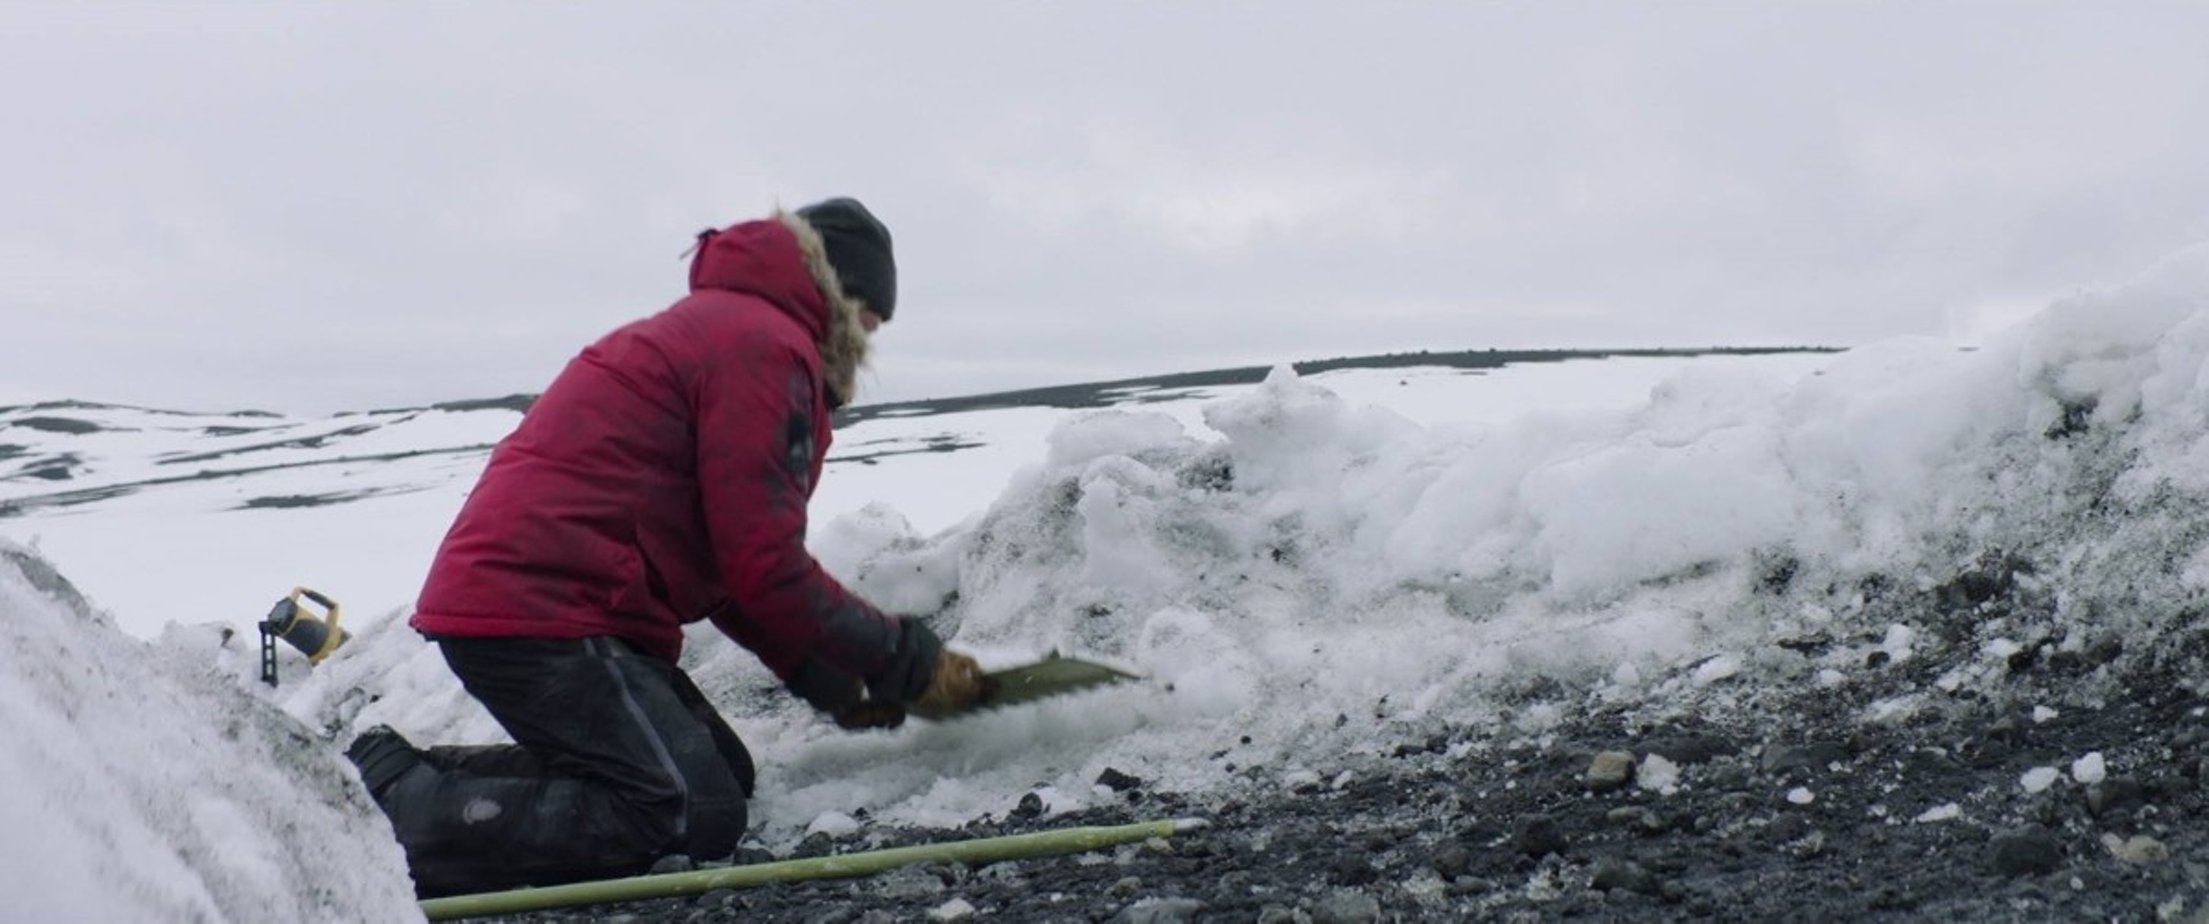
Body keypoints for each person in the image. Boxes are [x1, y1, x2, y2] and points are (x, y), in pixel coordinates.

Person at [343, 197, 984, 897]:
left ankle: (379, 773)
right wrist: (900, 656)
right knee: (682, 810)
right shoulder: (764, 346)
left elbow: (733, 568)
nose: (869, 334)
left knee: (715, 776)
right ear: (841, 291)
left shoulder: (734, 331)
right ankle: (373, 821)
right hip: (543, 607)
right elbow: (764, 565)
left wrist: (823, 678)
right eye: (869, 314)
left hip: (563, 599)